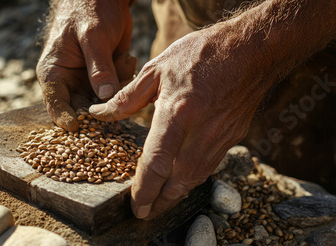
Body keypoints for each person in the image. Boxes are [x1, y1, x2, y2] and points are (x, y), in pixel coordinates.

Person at [36, 0, 336, 220]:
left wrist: (254, 44)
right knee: (167, 143)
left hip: (317, 61)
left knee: (293, 194)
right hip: (193, 19)